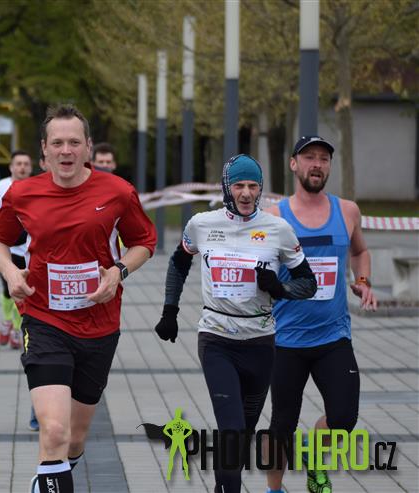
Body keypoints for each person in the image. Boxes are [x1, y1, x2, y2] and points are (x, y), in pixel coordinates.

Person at [0, 104, 156, 493]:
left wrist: (118, 271)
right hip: (44, 320)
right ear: (44, 149)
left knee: (75, 439)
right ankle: (53, 476)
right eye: (58, 143)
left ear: (88, 147)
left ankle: (51, 477)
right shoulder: (23, 193)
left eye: (74, 142)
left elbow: (144, 241)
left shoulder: (117, 192)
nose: (66, 150)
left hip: (99, 325)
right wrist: (10, 272)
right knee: (54, 431)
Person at [154, 154, 317, 493]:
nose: (246, 193)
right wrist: (169, 311)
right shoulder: (202, 224)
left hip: (260, 342)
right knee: (230, 430)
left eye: (253, 186)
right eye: (239, 186)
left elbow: (308, 283)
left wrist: (280, 289)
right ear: (226, 188)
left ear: (261, 189)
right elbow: (178, 263)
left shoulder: (278, 229)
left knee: (242, 435)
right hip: (216, 339)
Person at [264, 136, 377, 493]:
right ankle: (274, 490)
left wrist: (362, 281)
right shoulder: (274, 217)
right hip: (285, 340)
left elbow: (360, 252)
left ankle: (313, 459)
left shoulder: (348, 211)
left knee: (344, 417)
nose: (317, 164)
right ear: (293, 164)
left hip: (333, 337)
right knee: (282, 425)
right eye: (309, 157)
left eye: (324, 158)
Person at [0, 150, 33, 349]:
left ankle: (17, 329)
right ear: (11, 167)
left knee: (23, 291)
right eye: (18, 163)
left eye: (26, 164)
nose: (22, 167)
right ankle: (7, 320)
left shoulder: (38, 186)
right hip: (8, 250)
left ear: (31, 167)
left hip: (29, 250)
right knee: (7, 289)